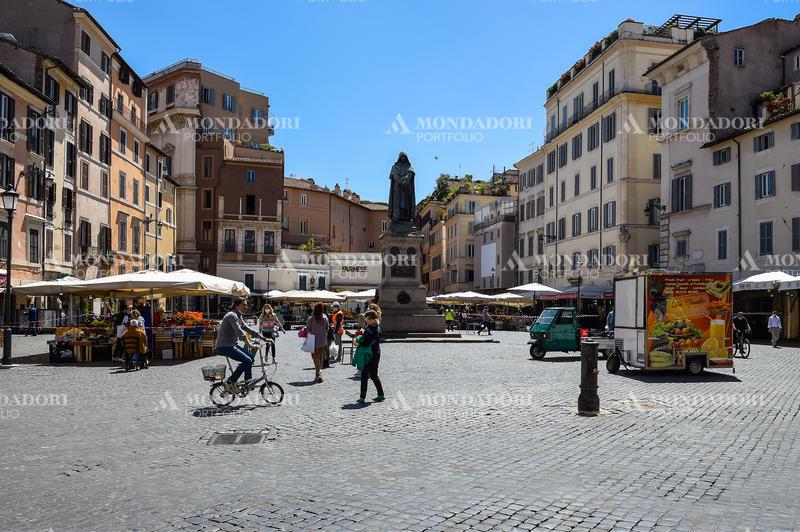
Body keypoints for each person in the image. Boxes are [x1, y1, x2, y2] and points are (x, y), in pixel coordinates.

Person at [215, 297, 265, 393]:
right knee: (247, 361)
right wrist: (250, 345)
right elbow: (240, 333)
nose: (246, 307)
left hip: (231, 345)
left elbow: (248, 329)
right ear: (236, 305)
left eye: (246, 305)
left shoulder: (238, 316)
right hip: (224, 346)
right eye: (243, 305)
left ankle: (247, 383)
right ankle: (230, 382)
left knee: (250, 357)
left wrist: (264, 338)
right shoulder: (232, 316)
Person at [356, 309, 384, 404]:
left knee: (364, 376)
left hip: (368, 355)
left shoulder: (368, 329)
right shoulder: (378, 328)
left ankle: (362, 398)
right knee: (374, 375)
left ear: (370, 319)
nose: (366, 320)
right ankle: (381, 395)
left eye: (366, 319)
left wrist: (358, 340)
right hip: (376, 353)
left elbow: (365, 343)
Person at [305, 302, 330, 383]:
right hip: (323, 340)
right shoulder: (325, 318)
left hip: (313, 340)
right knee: (321, 357)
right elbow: (327, 329)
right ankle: (319, 374)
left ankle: (318, 374)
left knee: (315, 357)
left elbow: (308, 330)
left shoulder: (310, 319)